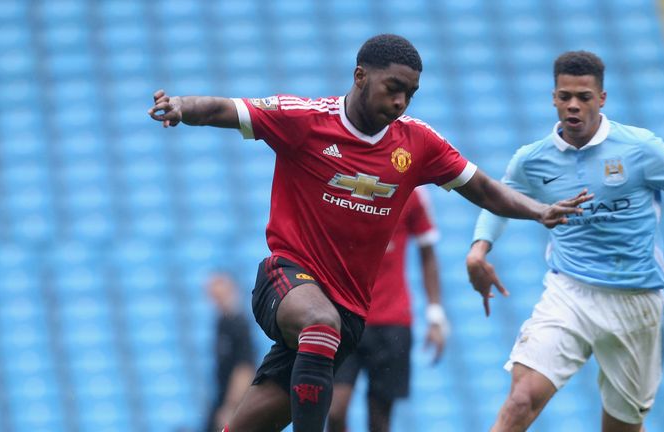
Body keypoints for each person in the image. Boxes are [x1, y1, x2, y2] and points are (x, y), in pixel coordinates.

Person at [148, 34, 591, 432]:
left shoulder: (417, 144)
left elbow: (482, 188)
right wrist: (184, 107)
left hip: (349, 318)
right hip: (286, 281)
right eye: (393, 88)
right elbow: (228, 108)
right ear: (360, 76)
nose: (401, 102)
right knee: (320, 325)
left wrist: (539, 211)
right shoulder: (305, 119)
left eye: (410, 94)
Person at [466, 50, 664, 432]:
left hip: (636, 302)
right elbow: (499, 201)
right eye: (564, 96)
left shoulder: (641, 148)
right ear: (553, 97)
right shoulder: (531, 160)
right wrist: (478, 249)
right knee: (520, 401)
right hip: (569, 291)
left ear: (602, 99)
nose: (573, 105)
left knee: (620, 426)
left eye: (583, 97)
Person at [327, 187, 449, 432]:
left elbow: (428, 252)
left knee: (379, 420)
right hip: (346, 318)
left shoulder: (412, 189)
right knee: (335, 410)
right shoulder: (342, 181)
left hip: (392, 322)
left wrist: (435, 315)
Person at [203, 271, 257, 432]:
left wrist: (231, 407)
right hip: (222, 397)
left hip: (232, 402)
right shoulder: (221, 322)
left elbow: (245, 368)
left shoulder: (238, 324)